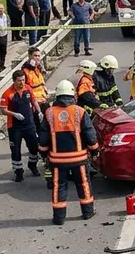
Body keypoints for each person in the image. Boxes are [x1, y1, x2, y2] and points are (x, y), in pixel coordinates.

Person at [37, 79, 98, 225]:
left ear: (57, 96)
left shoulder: (49, 113)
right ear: (73, 95)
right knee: (83, 184)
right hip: (79, 159)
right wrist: (94, 150)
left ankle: (59, 218)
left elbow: (43, 137)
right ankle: (88, 212)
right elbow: (90, 134)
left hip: (58, 161)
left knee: (59, 187)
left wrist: (44, 154)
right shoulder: (80, 112)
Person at [0, 70, 41, 182]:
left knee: (34, 148)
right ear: (14, 81)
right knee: (15, 150)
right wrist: (14, 114)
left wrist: (39, 111)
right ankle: (18, 172)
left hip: (29, 124)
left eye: (23, 80)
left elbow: (34, 100)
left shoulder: (28, 88)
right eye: (19, 81)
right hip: (14, 127)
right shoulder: (8, 93)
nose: (21, 83)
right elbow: (3, 110)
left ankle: (32, 165)